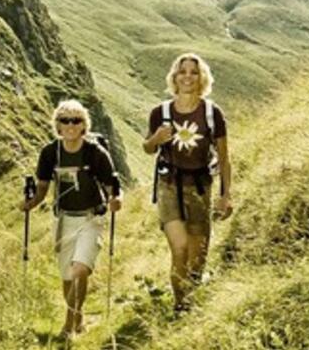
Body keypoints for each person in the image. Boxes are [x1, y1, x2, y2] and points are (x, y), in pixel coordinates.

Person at [19, 100, 123, 338]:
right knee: (67, 276)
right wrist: (30, 204)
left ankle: (68, 327)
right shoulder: (49, 153)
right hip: (63, 220)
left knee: (79, 270)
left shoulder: (95, 152)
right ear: (57, 124)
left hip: (91, 218)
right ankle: (78, 319)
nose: (70, 125)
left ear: (83, 125)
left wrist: (116, 201)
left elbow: (112, 186)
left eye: (76, 120)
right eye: (64, 120)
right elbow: (42, 188)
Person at [143, 53, 233, 312]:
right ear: (174, 77)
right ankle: (180, 305)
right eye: (182, 72)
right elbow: (147, 148)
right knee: (180, 249)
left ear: (201, 78)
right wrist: (156, 139)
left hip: (200, 187)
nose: (187, 77)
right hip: (169, 186)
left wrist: (226, 196)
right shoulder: (160, 113)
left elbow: (225, 159)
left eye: (194, 72)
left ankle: (192, 299)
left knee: (198, 255)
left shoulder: (211, 113)